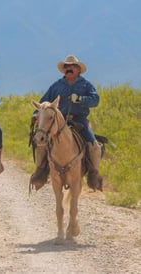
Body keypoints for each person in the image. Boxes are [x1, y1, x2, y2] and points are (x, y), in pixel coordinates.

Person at [30, 54, 103, 191]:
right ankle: (40, 171)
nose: (69, 68)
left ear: (78, 69)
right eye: (67, 66)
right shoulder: (56, 86)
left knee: (94, 145)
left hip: (79, 119)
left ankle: (93, 174)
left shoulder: (86, 85)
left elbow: (95, 99)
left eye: (73, 66)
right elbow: (43, 103)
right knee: (41, 142)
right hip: (58, 121)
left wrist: (80, 99)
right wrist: (36, 114)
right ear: (64, 69)